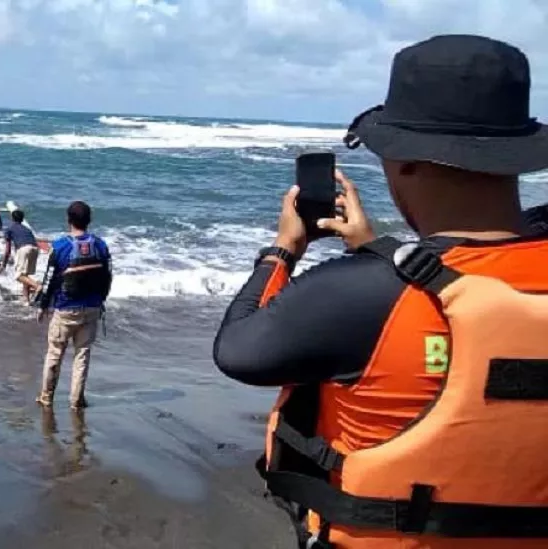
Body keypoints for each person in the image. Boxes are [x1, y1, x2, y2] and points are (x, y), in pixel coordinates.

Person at [212, 34, 548, 549]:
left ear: (404, 161)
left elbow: (238, 350)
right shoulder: (378, 287)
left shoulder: (358, 297)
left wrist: (283, 250)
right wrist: (382, 252)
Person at [35, 201, 112, 410]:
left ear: (68, 219)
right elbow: (107, 277)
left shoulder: (60, 246)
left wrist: (42, 306)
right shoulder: (101, 245)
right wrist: (101, 300)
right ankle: (76, 400)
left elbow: (49, 279)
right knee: (82, 355)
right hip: (92, 308)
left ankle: (47, 397)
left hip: (66, 309)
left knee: (55, 353)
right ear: (89, 220)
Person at [0, 209, 42, 303]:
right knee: (25, 276)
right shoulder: (27, 229)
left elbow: (7, 250)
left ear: (12, 218)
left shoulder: (9, 229)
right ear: (22, 219)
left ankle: (37, 286)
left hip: (24, 249)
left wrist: (3, 265)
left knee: (19, 276)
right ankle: (26, 300)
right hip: (35, 249)